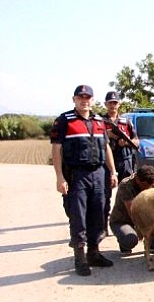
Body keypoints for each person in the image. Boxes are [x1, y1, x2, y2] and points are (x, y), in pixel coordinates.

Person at [50, 84, 119, 276]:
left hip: (99, 173)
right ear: (74, 100)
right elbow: (56, 149)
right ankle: (80, 257)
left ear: (92, 100)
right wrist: (59, 177)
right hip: (77, 174)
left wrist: (113, 172)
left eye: (87, 97)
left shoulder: (99, 120)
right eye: (80, 97)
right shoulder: (64, 120)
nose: (84, 100)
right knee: (78, 215)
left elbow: (106, 147)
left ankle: (94, 253)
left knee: (99, 212)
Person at [102, 90, 139, 237]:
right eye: (110, 103)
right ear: (106, 104)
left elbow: (137, 141)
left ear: (119, 104)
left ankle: (131, 224)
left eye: (115, 103)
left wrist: (127, 142)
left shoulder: (126, 122)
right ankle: (103, 226)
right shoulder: (100, 121)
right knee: (103, 196)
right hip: (106, 163)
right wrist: (109, 135)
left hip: (125, 162)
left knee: (129, 194)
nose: (113, 105)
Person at [109, 165, 154, 254]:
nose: (146, 189)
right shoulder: (126, 185)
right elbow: (132, 211)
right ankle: (124, 242)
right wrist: (144, 228)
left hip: (144, 217)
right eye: (144, 186)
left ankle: (153, 243)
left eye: (149, 186)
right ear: (137, 179)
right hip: (123, 220)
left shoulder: (152, 182)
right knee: (130, 239)